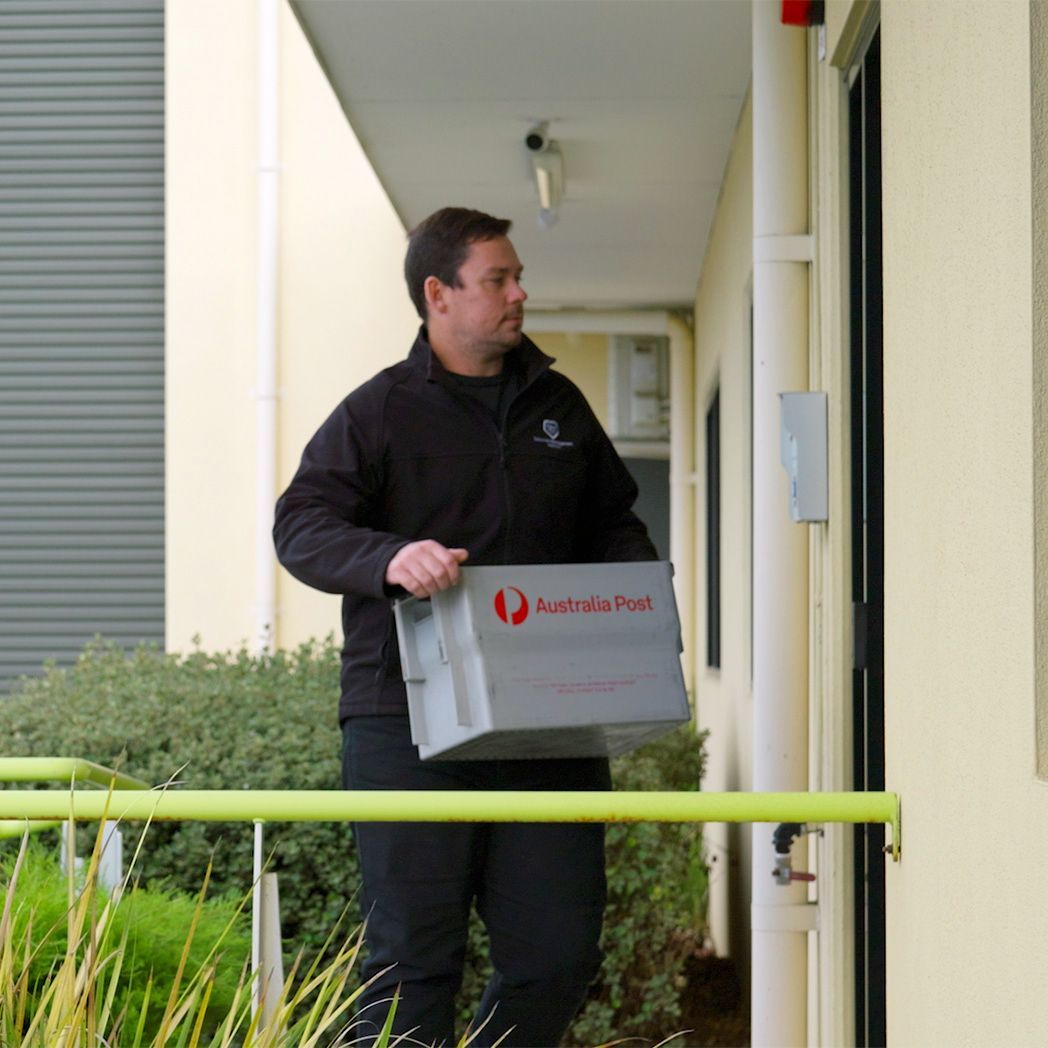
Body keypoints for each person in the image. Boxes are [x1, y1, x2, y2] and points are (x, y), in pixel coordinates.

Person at [273, 207, 657, 1046]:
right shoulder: (377, 412)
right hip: (404, 724)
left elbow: (615, 523)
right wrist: (388, 558)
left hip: (550, 721)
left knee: (558, 958)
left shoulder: (559, 406)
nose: (520, 293)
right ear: (438, 294)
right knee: (410, 965)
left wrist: (635, 606)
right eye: (499, 279)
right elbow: (301, 525)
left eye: (518, 277)